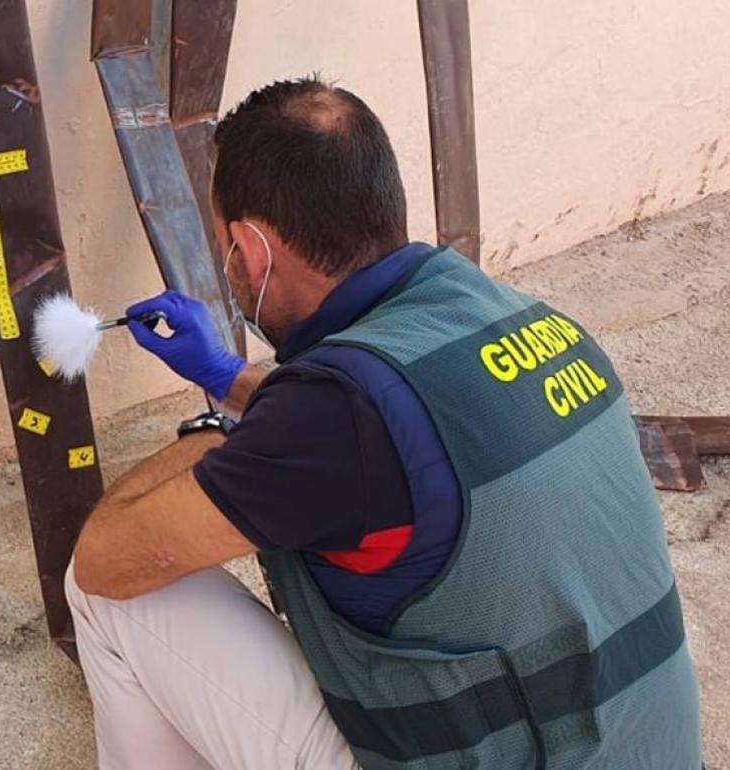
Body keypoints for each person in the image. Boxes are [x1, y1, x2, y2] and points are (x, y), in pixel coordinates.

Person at [65, 75, 703, 770]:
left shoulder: (328, 424)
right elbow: (395, 431)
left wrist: (217, 438)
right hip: (638, 746)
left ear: (252, 249)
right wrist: (226, 375)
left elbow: (110, 559)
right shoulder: (527, 320)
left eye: (225, 249)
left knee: (101, 591)